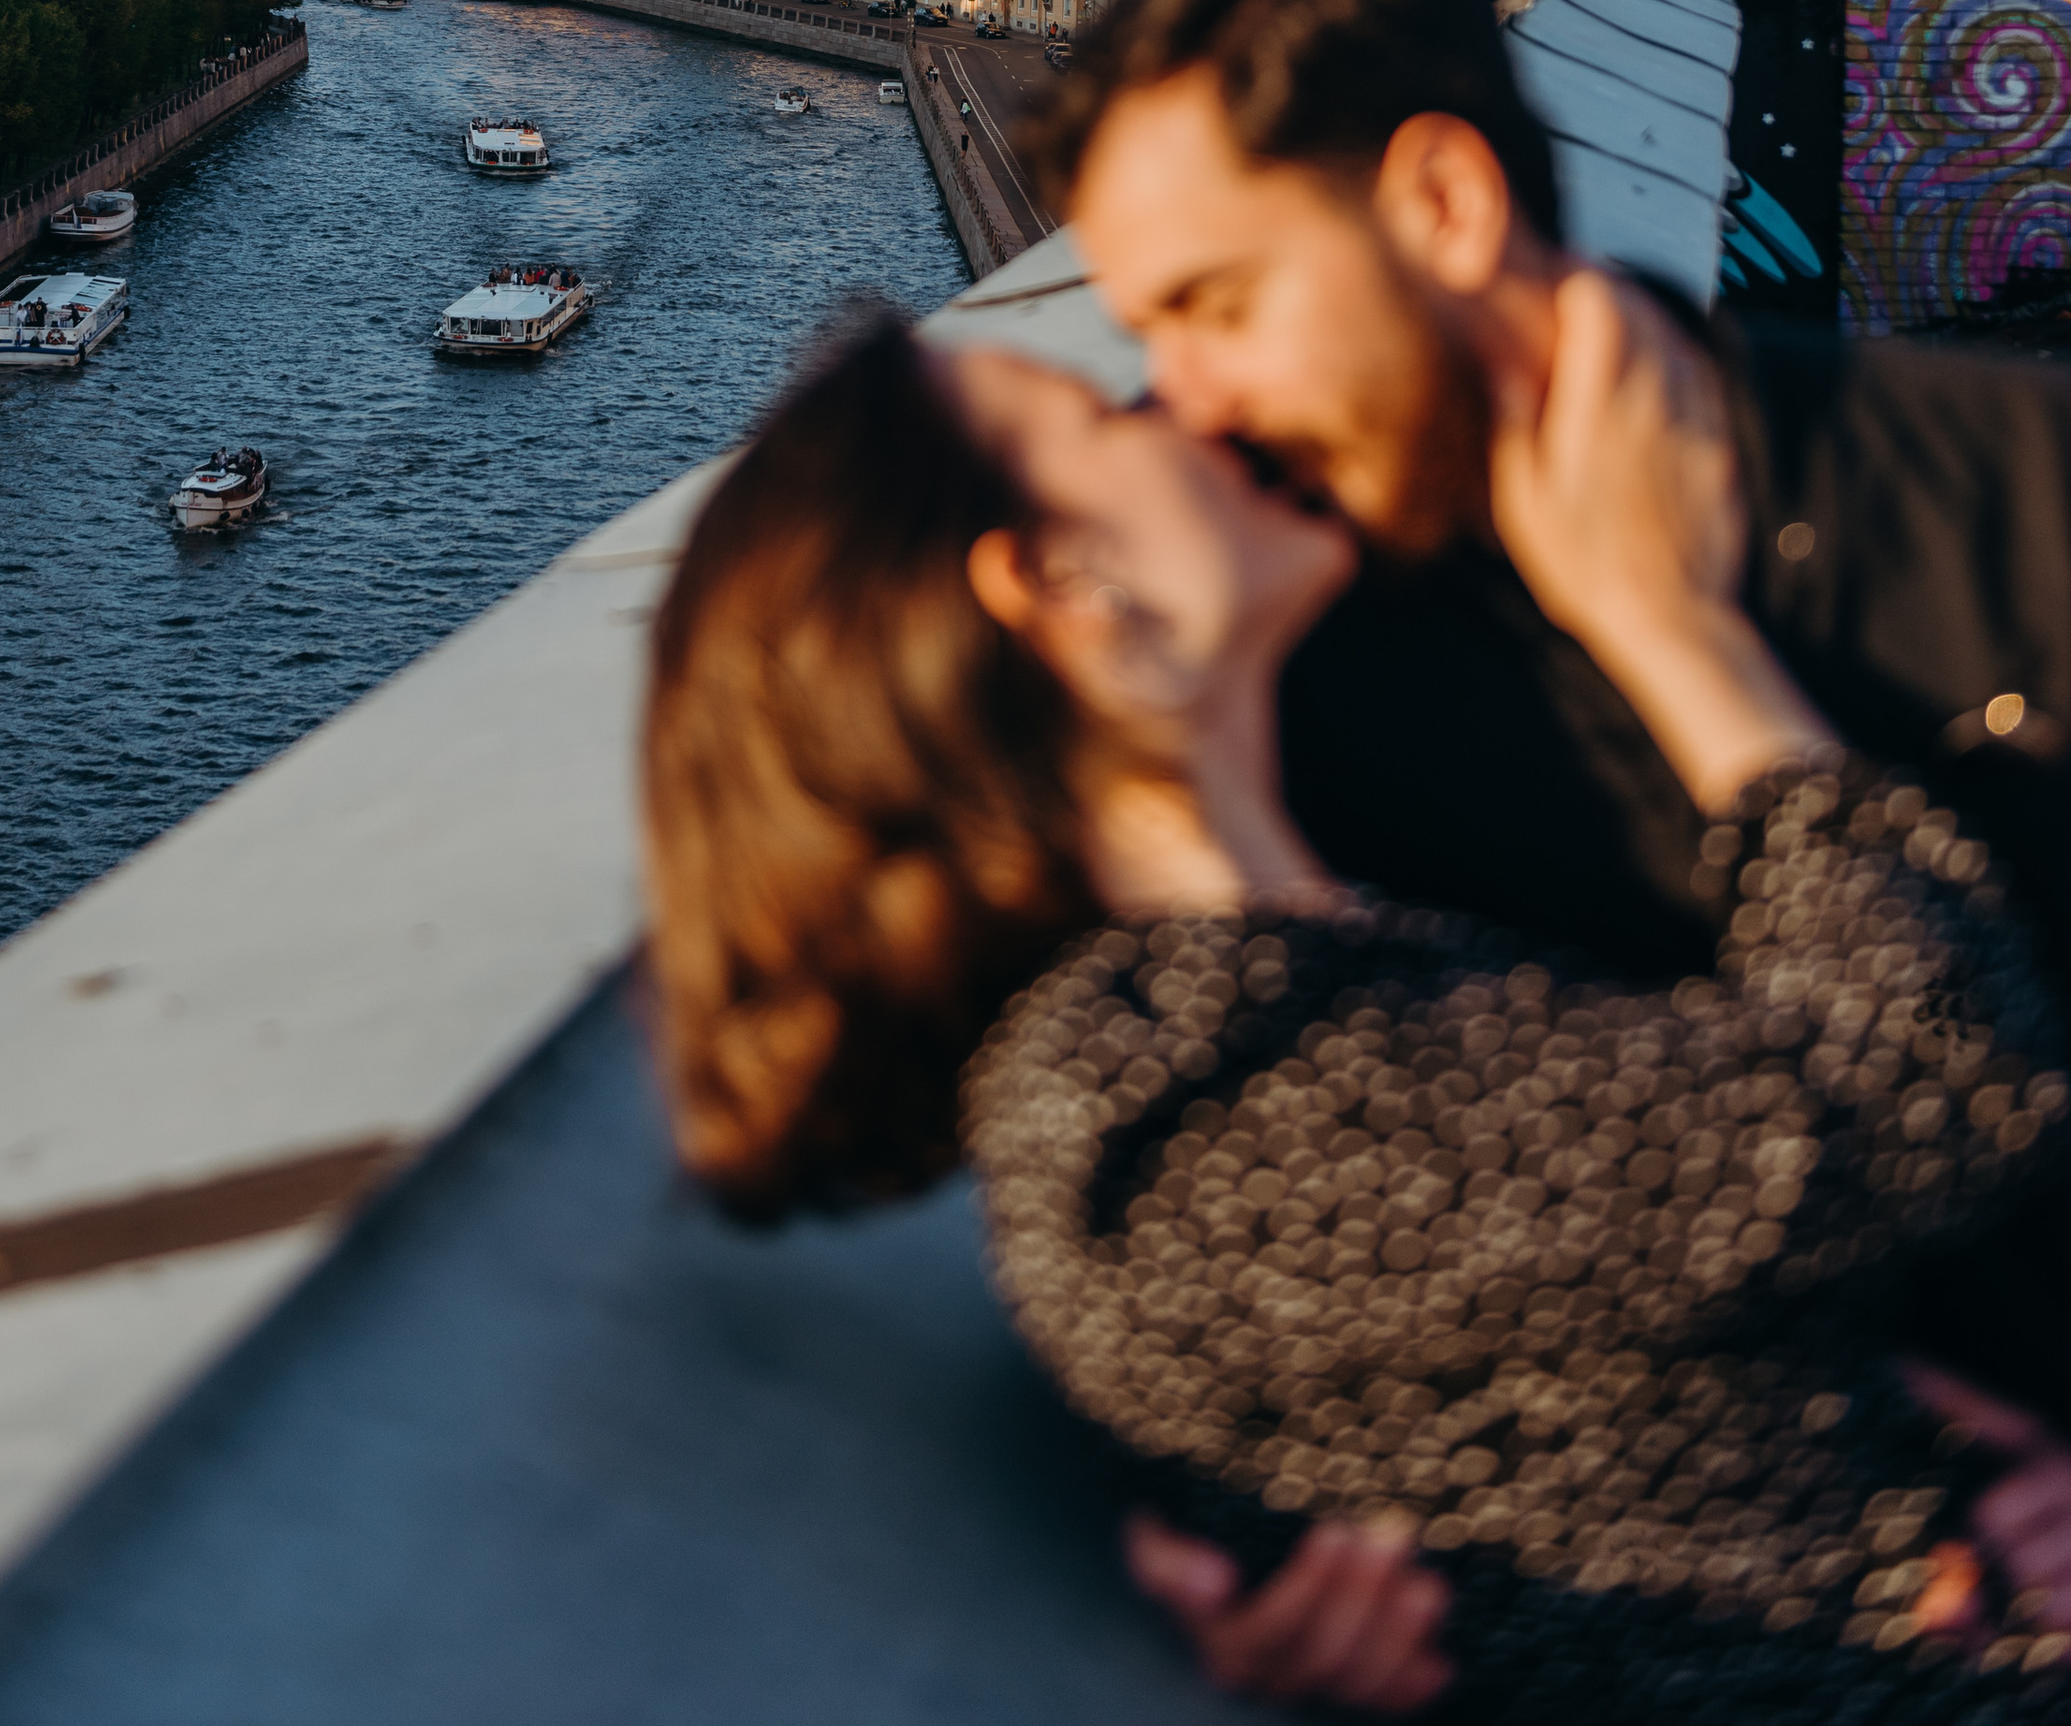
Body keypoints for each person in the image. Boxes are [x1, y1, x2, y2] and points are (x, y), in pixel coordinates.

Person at [643, 319, 2071, 1716]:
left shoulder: (1271, 1003)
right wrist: (1674, 622)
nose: (1186, 411)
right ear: (1060, 579)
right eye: (1109, 410)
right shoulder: (1181, 1116)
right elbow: (1917, 1070)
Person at [1026, 0, 2071, 1436]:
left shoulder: (2019, 496)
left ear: (1443, 201)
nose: (1185, 403)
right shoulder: (1305, 706)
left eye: (1218, 307)